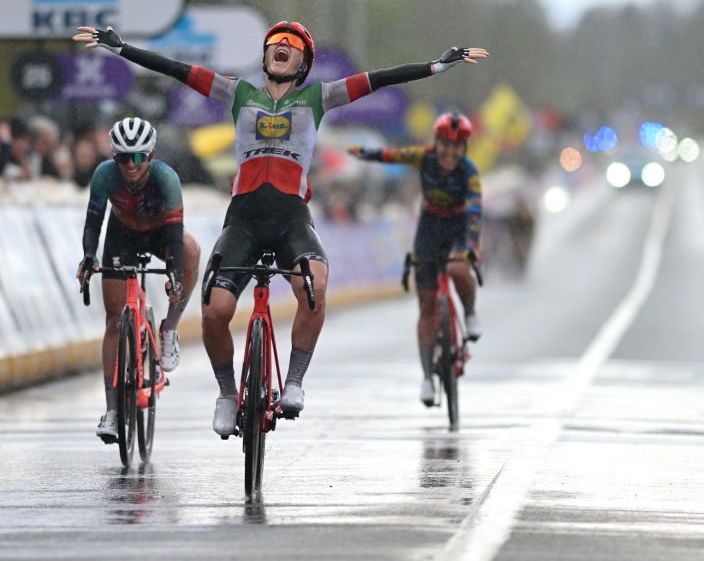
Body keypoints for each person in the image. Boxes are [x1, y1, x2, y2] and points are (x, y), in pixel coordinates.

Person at [74, 23, 488, 436]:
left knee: (315, 285)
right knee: (214, 310)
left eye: (292, 45)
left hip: (291, 217)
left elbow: (379, 79)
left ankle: (293, 381)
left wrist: (435, 67)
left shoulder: (319, 97)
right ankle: (226, 394)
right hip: (244, 218)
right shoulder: (237, 93)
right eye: (276, 42)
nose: (282, 47)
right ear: (266, 54)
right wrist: (121, 48)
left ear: (304, 63)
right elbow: (176, 69)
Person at [75, 117, 201, 443]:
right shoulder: (104, 174)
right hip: (122, 236)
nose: (131, 165)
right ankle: (112, 411)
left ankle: (169, 328)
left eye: (139, 157)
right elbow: (93, 222)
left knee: (191, 249)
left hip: (160, 234)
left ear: (151, 155)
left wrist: (174, 276)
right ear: (114, 157)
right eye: (123, 158)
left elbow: (175, 234)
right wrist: (89, 256)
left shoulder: (166, 178)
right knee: (115, 322)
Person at [349, 112, 484, 406]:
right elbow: (393, 155)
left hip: (459, 227)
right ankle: (427, 379)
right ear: (435, 143)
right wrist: (365, 153)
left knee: (459, 269)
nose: (449, 152)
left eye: (457, 146)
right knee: (427, 305)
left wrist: (472, 246)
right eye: (444, 144)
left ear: (464, 148)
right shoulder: (424, 157)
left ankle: (470, 313)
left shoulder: (469, 171)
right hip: (430, 227)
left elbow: (475, 212)